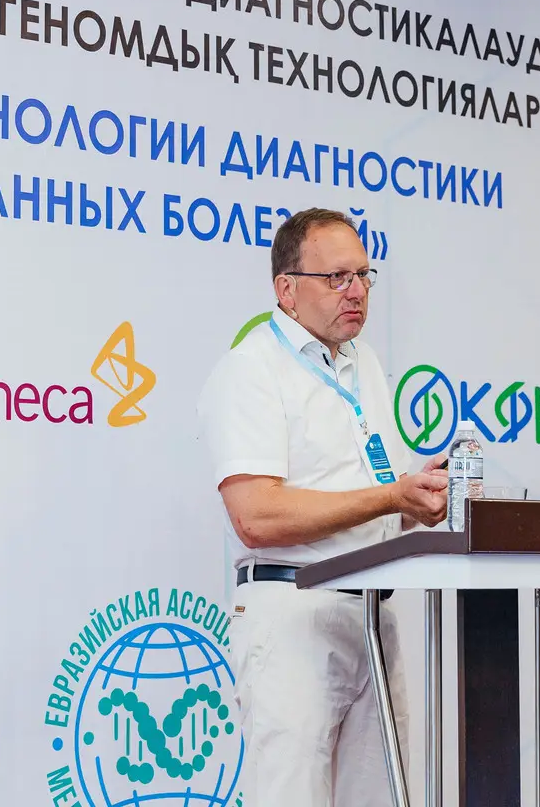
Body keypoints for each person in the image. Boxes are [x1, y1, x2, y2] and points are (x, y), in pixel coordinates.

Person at [197, 207, 448, 807]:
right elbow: (256, 516)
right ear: (287, 290)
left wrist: (421, 498)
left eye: (363, 275)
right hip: (295, 615)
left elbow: (380, 498)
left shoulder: (365, 365)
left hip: (374, 615)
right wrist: (391, 496)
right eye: (336, 277)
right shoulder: (250, 370)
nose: (356, 291)